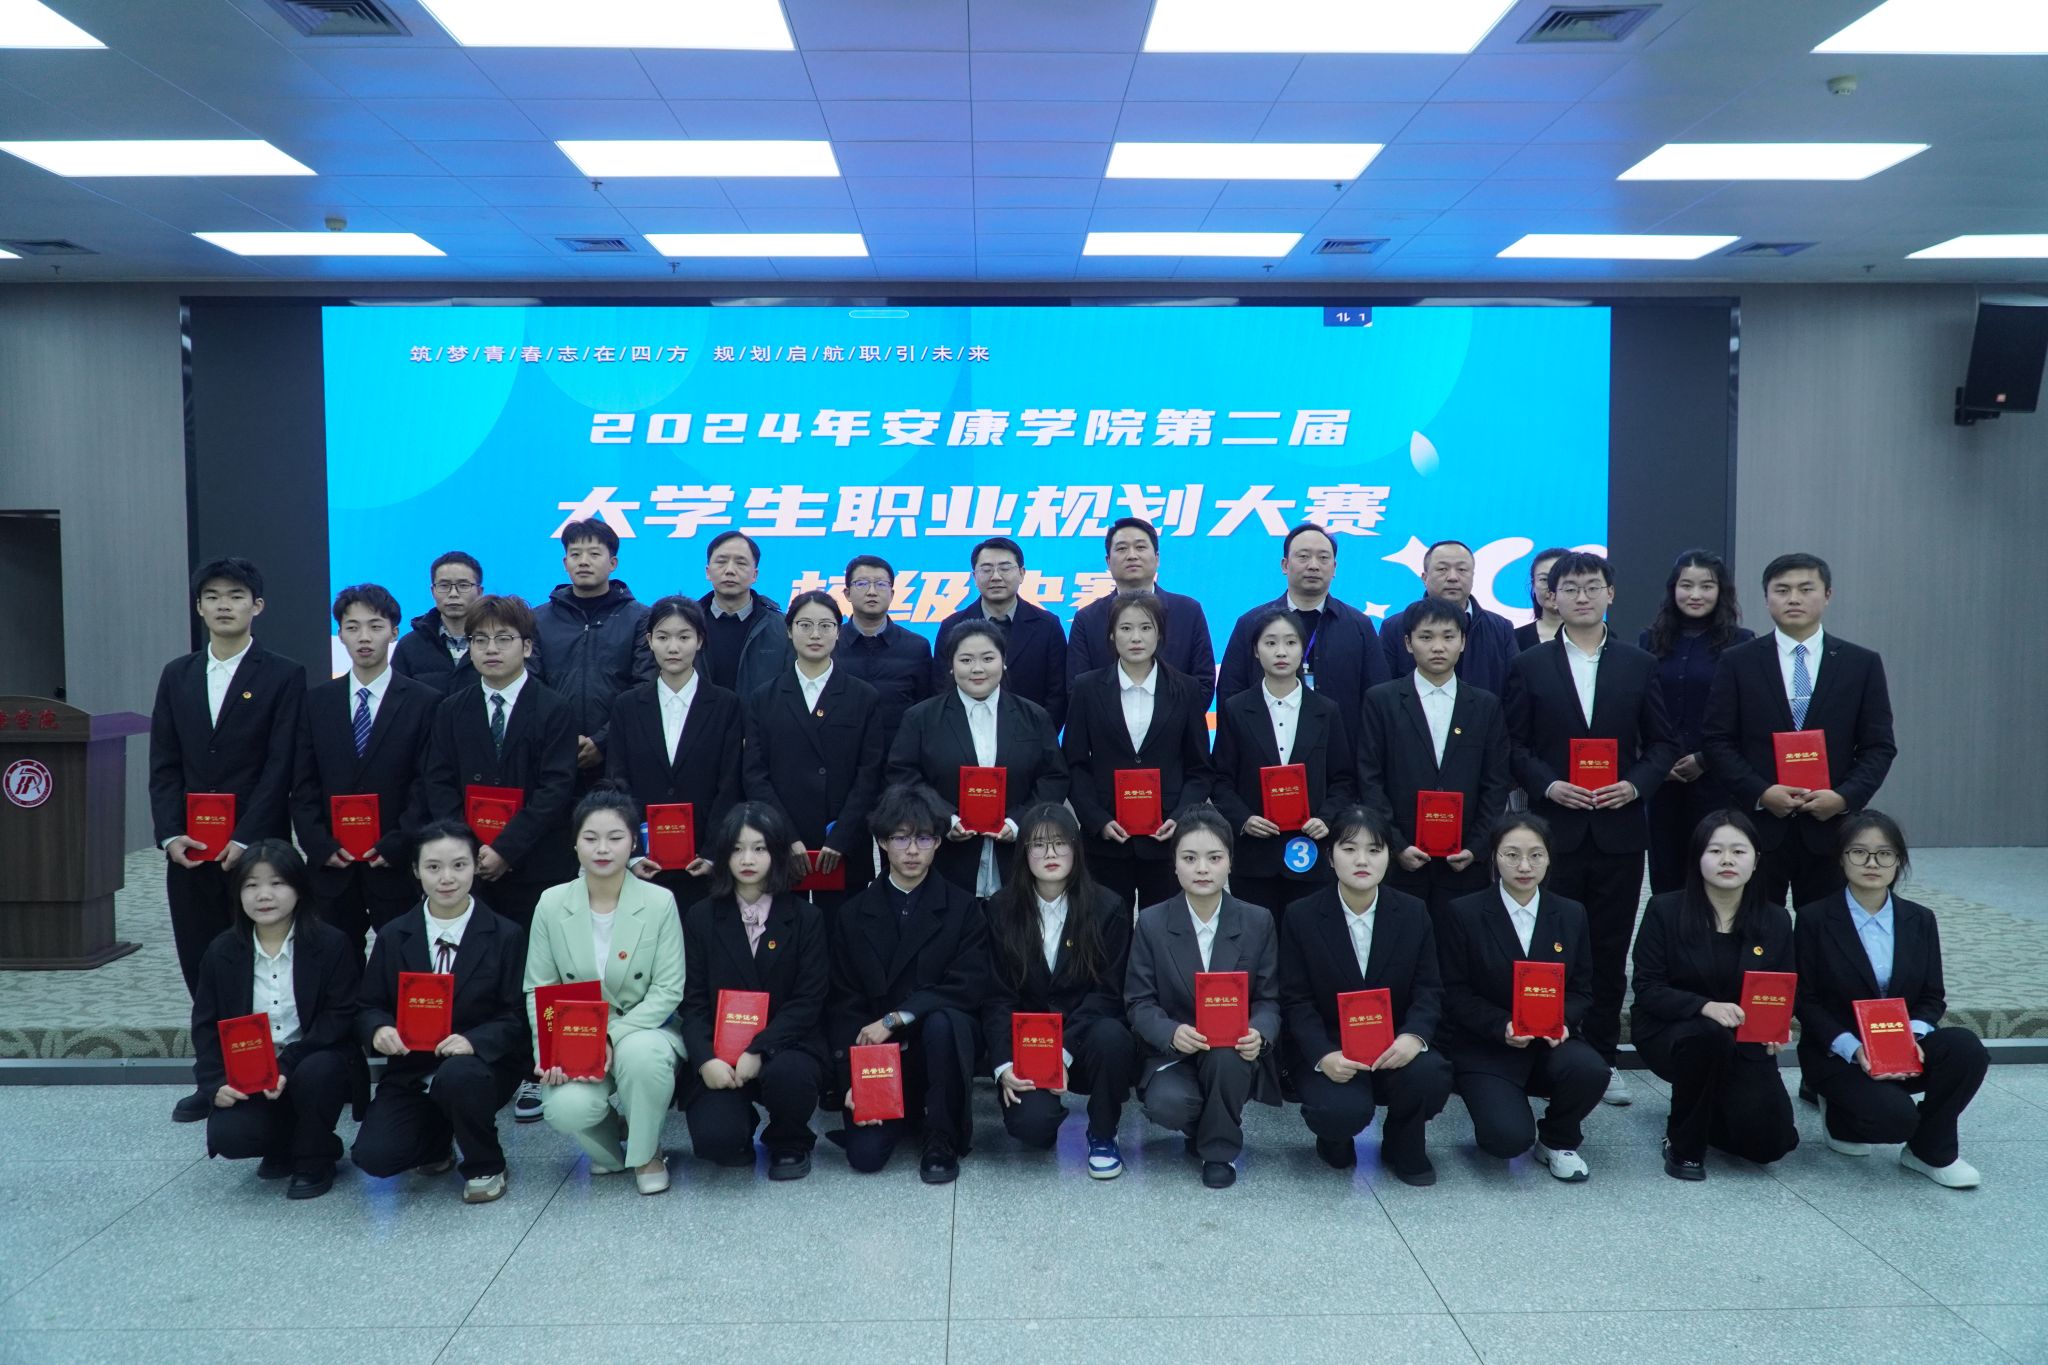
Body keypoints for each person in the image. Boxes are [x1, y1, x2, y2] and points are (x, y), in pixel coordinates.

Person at [1503, 550, 1677, 1108]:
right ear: (1550, 597)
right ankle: (1540, 1049)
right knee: (1545, 943)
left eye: (1592, 586)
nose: (1582, 596)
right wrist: (1549, 785)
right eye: (1570, 588)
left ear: (1610, 594)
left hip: (1618, 831)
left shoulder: (1638, 664)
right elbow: (1514, 745)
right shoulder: (1529, 664)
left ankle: (1601, 1056)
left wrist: (1635, 785)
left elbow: (1663, 744)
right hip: (1552, 832)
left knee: (1607, 946)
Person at [151, 556, 304, 1123]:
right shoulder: (178, 674)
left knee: (257, 960)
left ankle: (264, 1069)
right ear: (198, 607)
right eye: (213, 596)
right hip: (190, 853)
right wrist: (171, 834)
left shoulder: (283, 674)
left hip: (255, 854)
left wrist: (247, 838)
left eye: (236, 595)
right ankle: (212, 1077)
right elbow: (165, 762)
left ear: (256, 606)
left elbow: (280, 765)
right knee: (202, 963)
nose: (223, 605)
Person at [1795, 812, 1988, 1189]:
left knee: (1966, 1050)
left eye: (1884, 854)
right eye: (1859, 852)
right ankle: (1839, 1116)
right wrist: (1854, 1049)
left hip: (1904, 1049)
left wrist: (1909, 1039)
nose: (1872, 863)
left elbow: (1932, 996)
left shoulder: (1920, 919)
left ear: (1899, 860)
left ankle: (1930, 1150)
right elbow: (1806, 1001)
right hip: (1840, 1054)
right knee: (1894, 1119)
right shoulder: (1814, 918)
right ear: (1841, 858)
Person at [350, 821, 531, 1204]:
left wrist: (473, 1041)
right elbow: (368, 1006)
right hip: (411, 1068)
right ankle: (437, 1142)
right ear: (416, 870)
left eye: (459, 865)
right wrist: (379, 1028)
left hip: (481, 1067)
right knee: (375, 1157)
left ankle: (485, 1164)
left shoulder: (505, 934)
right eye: (433, 867)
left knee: (458, 1077)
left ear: (475, 866)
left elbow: (517, 1015)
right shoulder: (393, 935)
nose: (446, 878)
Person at [1704, 552, 1897, 909]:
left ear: (1827, 595)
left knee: (1827, 928)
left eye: (1806, 589)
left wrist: (1844, 798)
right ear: (1766, 598)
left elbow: (1878, 746)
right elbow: (1717, 740)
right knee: (1756, 926)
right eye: (1782, 590)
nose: (1793, 598)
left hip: (1832, 826)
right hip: (1758, 825)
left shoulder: (1861, 663)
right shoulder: (1737, 661)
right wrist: (1761, 792)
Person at [524, 783, 687, 1195]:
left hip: (644, 1027)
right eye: (590, 838)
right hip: (575, 1034)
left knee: (642, 1056)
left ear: (633, 842)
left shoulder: (659, 902)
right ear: (575, 844)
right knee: (565, 1107)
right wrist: (548, 1051)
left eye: (615, 838)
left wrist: (610, 1036)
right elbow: (539, 989)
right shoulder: (551, 904)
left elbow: (668, 990)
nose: (602, 849)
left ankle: (647, 1154)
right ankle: (616, 1140)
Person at [826, 783, 993, 1183]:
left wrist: (898, 1017)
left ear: (938, 843)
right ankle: (906, 1113)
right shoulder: (852, 914)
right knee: (865, 1157)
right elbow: (843, 1003)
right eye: (901, 838)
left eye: (924, 838)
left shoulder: (963, 908)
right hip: (879, 1058)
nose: (913, 850)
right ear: (883, 842)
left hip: (939, 1047)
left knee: (943, 1022)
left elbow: (968, 985)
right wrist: (851, 1079)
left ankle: (941, 1135)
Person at [1277, 805, 1454, 1185]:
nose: (1362, 860)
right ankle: (1334, 1138)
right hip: (1332, 1046)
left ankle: (1402, 1141)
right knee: (1337, 1112)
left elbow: (1428, 988)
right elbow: (1295, 999)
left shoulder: (1413, 913)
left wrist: (1413, 1037)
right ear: (1330, 857)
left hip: (1394, 1043)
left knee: (1430, 1075)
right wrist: (1323, 1055)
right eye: (1349, 849)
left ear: (1389, 856)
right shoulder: (1301, 916)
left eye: (1374, 850)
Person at [1629, 812, 1798, 1181]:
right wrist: (1704, 1006)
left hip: (1742, 1036)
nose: (1727, 860)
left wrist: (1775, 1027)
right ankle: (1683, 1145)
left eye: (1738, 851)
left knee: (1771, 1144)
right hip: (1671, 1028)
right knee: (1707, 1036)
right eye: (1715, 850)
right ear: (1697, 858)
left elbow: (1780, 989)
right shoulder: (1665, 910)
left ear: (1756, 860)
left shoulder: (1775, 920)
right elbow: (1648, 988)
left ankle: (1707, 1112)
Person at [1437, 816, 1606, 1181]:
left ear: (1549, 858)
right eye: (1512, 855)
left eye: (1536, 855)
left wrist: (1563, 1021)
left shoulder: (1571, 913)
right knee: (1506, 1140)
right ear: (1494, 857)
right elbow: (1454, 992)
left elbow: (1581, 989)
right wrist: (1501, 1026)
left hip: (1551, 1043)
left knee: (1591, 1070)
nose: (1525, 866)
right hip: (1487, 1045)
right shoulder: (1464, 913)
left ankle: (1558, 1139)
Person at [189, 840, 359, 1199]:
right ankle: (285, 1144)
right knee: (231, 1137)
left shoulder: (331, 944)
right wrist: (214, 1082)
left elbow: (340, 1017)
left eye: (277, 883)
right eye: (251, 885)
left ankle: (315, 1158)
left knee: (320, 1071)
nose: (264, 895)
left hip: (313, 1058)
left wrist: (287, 1062)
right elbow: (205, 1026)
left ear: (298, 888)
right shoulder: (222, 952)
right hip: (251, 1070)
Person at [980, 803, 1140, 1179]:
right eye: (1038, 844)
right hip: (1028, 1049)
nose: (1050, 853)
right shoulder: (1000, 910)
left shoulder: (1108, 907)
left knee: (1112, 1035)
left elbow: (1107, 994)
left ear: (1076, 847)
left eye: (1060, 842)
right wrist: (1003, 1065)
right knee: (1032, 1129)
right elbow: (997, 995)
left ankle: (1103, 1132)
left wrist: (1063, 1051)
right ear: (1023, 853)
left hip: (1085, 1041)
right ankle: (1043, 1109)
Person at [1125, 807, 1282, 1189]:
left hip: (1233, 1053)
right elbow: (1138, 1001)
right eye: (1189, 858)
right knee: (1167, 1104)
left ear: (1230, 863)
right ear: (1174, 865)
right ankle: (1209, 1121)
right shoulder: (1152, 922)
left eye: (1214, 858)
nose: (1202, 869)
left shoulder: (1257, 920)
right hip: (1175, 1052)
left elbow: (1269, 999)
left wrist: (1259, 1032)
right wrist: (1171, 1032)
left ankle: (1219, 1152)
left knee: (1227, 1056)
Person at [678, 802, 829, 1180]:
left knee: (791, 1075)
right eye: (737, 849)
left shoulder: (807, 918)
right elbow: (693, 1003)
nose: (747, 859)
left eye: (759, 848)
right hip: (720, 1051)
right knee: (718, 1141)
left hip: (785, 1044)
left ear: (776, 853)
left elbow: (808, 1001)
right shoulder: (700, 917)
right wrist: (705, 1060)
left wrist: (760, 1048)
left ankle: (789, 1140)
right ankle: (739, 1123)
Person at [290, 583, 439, 952]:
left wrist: (399, 843)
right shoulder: (316, 702)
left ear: (394, 632)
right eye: (352, 627)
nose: (364, 637)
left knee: (402, 958)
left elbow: (426, 783)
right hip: (333, 863)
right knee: (334, 962)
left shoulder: (425, 702)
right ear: (340, 634)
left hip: (394, 861)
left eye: (375, 626)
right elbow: (304, 783)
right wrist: (319, 845)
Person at [419, 593, 579, 931]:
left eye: (503, 639)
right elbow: (438, 782)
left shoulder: (555, 709)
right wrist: (469, 848)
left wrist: (506, 849)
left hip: (537, 864)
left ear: (527, 647)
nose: (491, 649)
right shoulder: (451, 709)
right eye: (480, 640)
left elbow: (556, 788)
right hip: (470, 865)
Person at [887, 619, 1069, 897]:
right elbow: (903, 775)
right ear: (951, 665)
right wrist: (944, 819)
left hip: (1017, 857)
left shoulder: (1033, 716)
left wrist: (1019, 823)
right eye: (966, 660)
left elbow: (1053, 776)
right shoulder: (921, 718)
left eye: (987, 658)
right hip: (948, 857)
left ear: (1003, 661)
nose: (977, 668)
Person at [1358, 597, 1513, 921]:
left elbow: (1496, 782)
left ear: (1463, 642)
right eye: (1426, 637)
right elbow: (1370, 778)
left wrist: (1476, 847)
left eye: (1448, 636)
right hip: (1400, 858)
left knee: (1459, 943)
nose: (1438, 647)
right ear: (1408, 643)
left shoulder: (1485, 705)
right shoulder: (1381, 700)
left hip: (1464, 860)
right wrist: (1396, 844)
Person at [1061, 593, 1216, 910]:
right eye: (1125, 628)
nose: (1136, 638)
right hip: (1106, 838)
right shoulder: (1087, 688)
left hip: (1165, 838)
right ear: (1111, 635)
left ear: (1160, 634)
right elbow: (1074, 763)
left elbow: (1199, 768)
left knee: (1164, 929)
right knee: (1105, 929)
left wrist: (1179, 818)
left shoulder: (1185, 689)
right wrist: (1097, 820)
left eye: (1146, 628)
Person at [743, 590, 886, 910]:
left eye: (825, 625)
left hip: (844, 846)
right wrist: (787, 837)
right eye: (805, 625)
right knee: (783, 931)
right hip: (782, 844)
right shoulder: (764, 697)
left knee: (843, 931)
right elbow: (755, 774)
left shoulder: (863, 697)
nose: (815, 634)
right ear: (789, 631)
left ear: (839, 631)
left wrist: (842, 838)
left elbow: (870, 774)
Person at [1210, 606, 1357, 918]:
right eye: (1270, 642)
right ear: (1255, 650)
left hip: (1311, 849)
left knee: (1307, 938)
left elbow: (1343, 779)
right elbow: (1221, 779)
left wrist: (1326, 818)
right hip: (1255, 855)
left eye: (1290, 642)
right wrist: (1244, 819)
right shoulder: (1236, 709)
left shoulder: (1326, 710)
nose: (1281, 652)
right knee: (1256, 937)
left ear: (1303, 650)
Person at [606, 595, 742, 913]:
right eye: (663, 637)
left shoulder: (726, 705)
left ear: (700, 641)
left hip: (704, 864)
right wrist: (633, 853)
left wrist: (712, 853)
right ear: (649, 641)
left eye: (684, 637)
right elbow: (617, 780)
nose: (673, 647)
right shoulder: (627, 706)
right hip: (644, 863)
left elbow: (730, 784)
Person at [1639, 551, 1755, 895]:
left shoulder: (1742, 642)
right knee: (1667, 873)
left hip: (1719, 778)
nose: (1695, 594)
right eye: (1686, 585)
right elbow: (1639, 708)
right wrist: (1659, 762)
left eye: (1706, 586)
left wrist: (1704, 759)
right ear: (1673, 589)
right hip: (1663, 779)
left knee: (1716, 868)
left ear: (1721, 591)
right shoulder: (1649, 640)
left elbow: (1748, 713)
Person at [1216, 521, 1389, 726]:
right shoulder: (1252, 623)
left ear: (1334, 568)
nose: (1313, 565)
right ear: (1285, 565)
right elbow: (1230, 691)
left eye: (1323, 558)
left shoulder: (1358, 626)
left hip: (1339, 742)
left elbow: (1377, 696)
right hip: (1265, 743)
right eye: (1303, 556)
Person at [529, 518, 654, 789]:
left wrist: (602, 741)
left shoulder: (641, 618)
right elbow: (531, 684)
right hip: (552, 751)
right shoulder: (538, 619)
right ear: (565, 563)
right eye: (575, 554)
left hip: (618, 755)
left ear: (613, 563)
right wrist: (563, 738)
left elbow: (644, 687)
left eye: (594, 554)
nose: (583, 561)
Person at [1065, 516, 1216, 708]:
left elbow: (1203, 682)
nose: (1132, 555)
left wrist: (1169, 721)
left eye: (1140, 547)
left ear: (1157, 558)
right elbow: (1077, 688)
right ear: (1108, 561)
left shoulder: (1188, 611)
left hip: (1176, 725)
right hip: (1107, 725)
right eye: (1122, 548)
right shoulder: (1087, 619)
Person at [934, 536, 1068, 730]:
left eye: (1005, 568)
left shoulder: (1047, 625)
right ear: (974, 576)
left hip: (1032, 736)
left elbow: (1057, 693)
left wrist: (1039, 737)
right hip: (964, 736)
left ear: (1022, 573)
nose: (996, 576)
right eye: (986, 569)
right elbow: (941, 688)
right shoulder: (952, 626)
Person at [1384, 539, 1518, 694]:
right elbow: (1384, 688)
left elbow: (1514, 687)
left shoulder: (1500, 628)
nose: (1453, 577)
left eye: (1462, 569)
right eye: (1442, 569)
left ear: (1473, 576)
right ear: (1424, 578)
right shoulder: (1395, 627)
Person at [835, 553, 933, 750]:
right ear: (847, 593)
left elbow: (926, 708)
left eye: (881, 584)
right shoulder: (831, 644)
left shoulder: (916, 647)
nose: (872, 592)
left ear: (892, 593)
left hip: (899, 756)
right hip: (841, 754)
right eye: (862, 584)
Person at [698, 530, 793, 698]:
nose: (730, 570)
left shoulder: (782, 627)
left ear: (755, 575)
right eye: (721, 562)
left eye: (740, 563)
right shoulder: (688, 623)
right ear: (707, 571)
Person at [393, 551, 484, 693]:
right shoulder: (409, 646)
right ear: (432, 591)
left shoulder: (496, 643)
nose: (453, 594)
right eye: (444, 586)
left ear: (479, 591)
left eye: (463, 585)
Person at [1513, 547, 1568, 652]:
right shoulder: (1513, 639)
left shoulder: (1597, 637)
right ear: (1533, 585)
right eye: (1544, 579)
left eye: (1560, 578)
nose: (1552, 587)